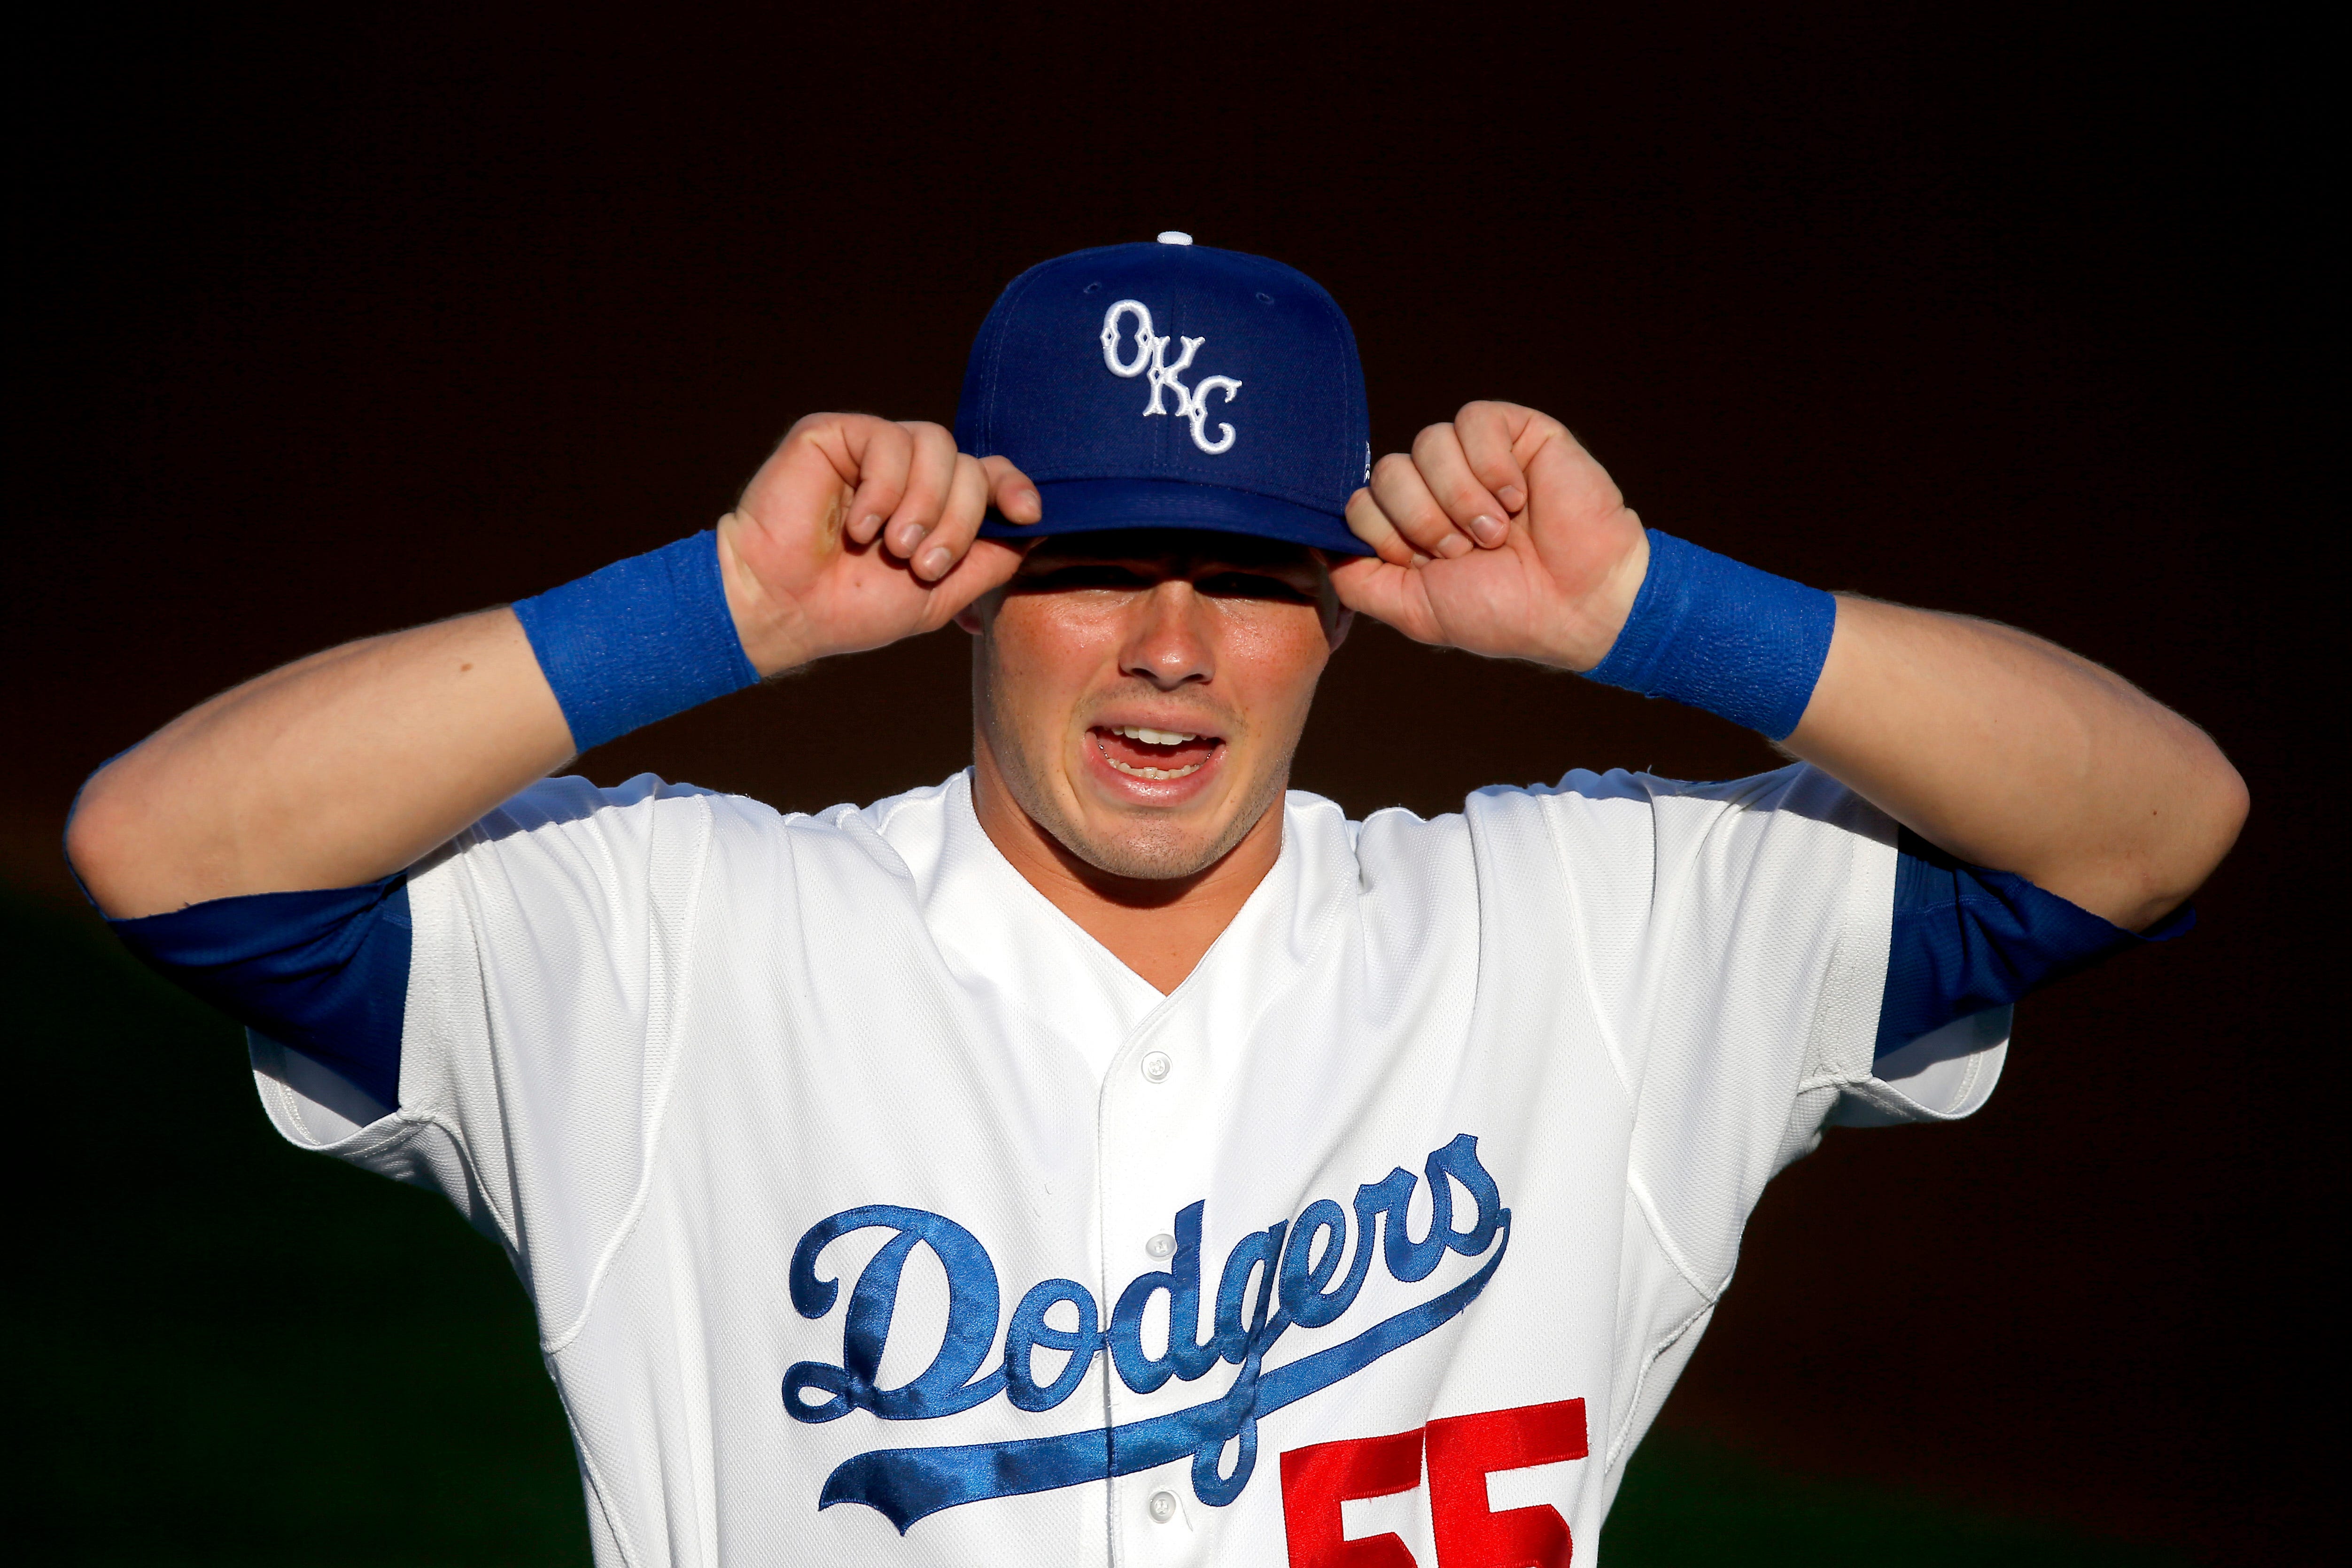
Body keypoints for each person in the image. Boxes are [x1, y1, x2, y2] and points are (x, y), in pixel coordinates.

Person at [65, 236, 2244, 1567]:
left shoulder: (1596, 931)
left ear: (1339, 621)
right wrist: (710, 607)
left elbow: (2148, 823)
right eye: (1096, 567)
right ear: (973, 602)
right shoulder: (672, 948)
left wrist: (1654, 609)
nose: (1172, 646)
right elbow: (167, 850)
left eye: (1251, 579)